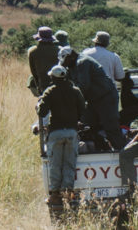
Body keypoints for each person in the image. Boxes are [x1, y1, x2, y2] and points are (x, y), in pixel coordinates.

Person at [59, 46, 125, 150]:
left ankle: (122, 152)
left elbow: (83, 86)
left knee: (110, 126)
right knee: (88, 125)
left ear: (70, 56)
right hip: (93, 99)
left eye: (65, 62)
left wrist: (72, 102)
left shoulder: (82, 62)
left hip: (106, 97)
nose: (65, 65)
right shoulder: (72, 66)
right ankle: (101, 149)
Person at [37, 64, 86, 205]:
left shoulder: (49, 91)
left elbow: (42, 112)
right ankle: (67, 195)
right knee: (69, 164)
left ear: (52, 77)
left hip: (56, 132)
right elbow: (83, 110)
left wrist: (40, 103)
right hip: (71, 132)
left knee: (55, 165)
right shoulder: (75, 91)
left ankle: (54, 196)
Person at [28, 27, 60, 95]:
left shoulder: (33, 52)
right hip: (59, 85)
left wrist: (38, 86)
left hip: (43, 85)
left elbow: (34, 72)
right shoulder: (59, 50)